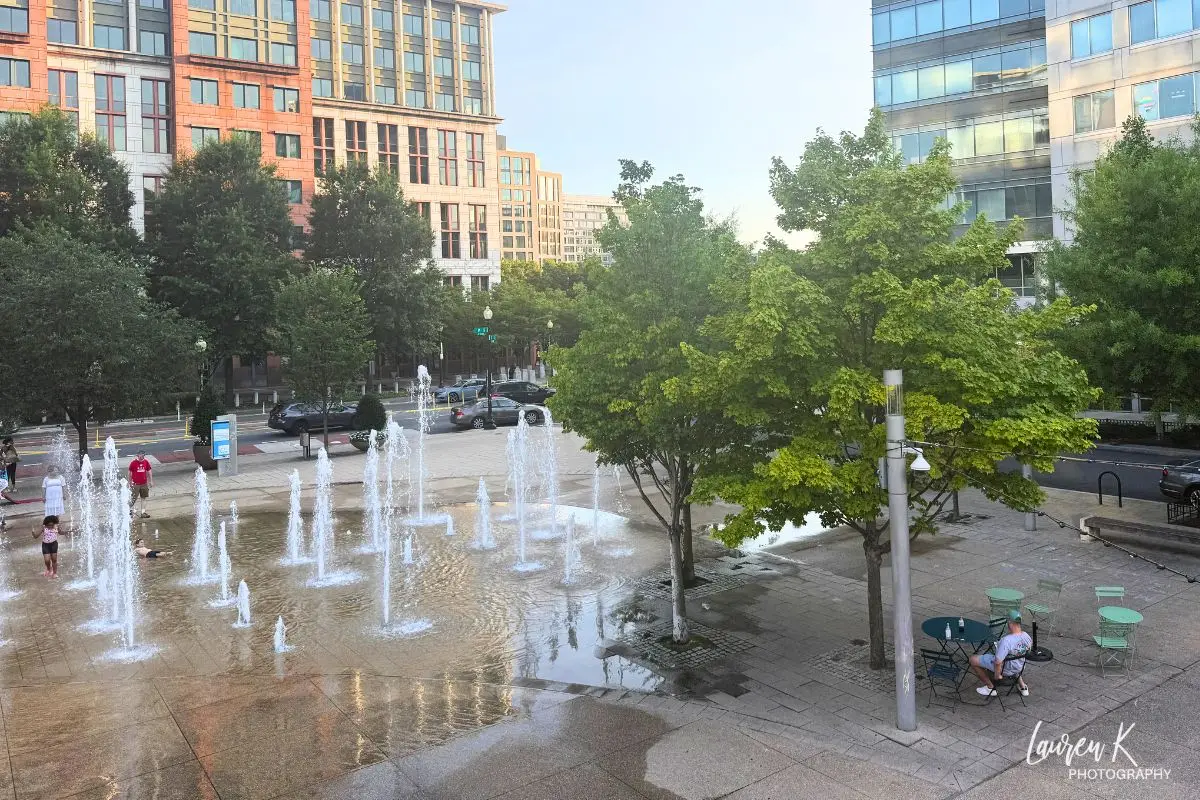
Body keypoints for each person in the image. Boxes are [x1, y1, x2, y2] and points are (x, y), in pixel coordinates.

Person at [969, 609, 1032, 697]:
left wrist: (997, 675)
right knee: (1015, 657)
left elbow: (998, 662)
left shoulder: (1006, 641)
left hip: (1006, 669)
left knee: (973, 659)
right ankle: (1022, 686)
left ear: (1010, 623)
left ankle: (990, 688)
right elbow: (1027, 651)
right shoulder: (1026, 636)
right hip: (1020, 666)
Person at [128, 450, 153, 518]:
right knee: (133, 498)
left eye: (143, 455)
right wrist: (130, 482)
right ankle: (128, 510)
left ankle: (143, 512)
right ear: (137, 455)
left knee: (143, 498)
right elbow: (130, 473)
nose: (142, 456)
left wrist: (151, 481)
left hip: (144, 484)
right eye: (141, 455)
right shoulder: (133, 463)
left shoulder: (146, 462)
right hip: (136, 484)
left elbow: (149, 470)